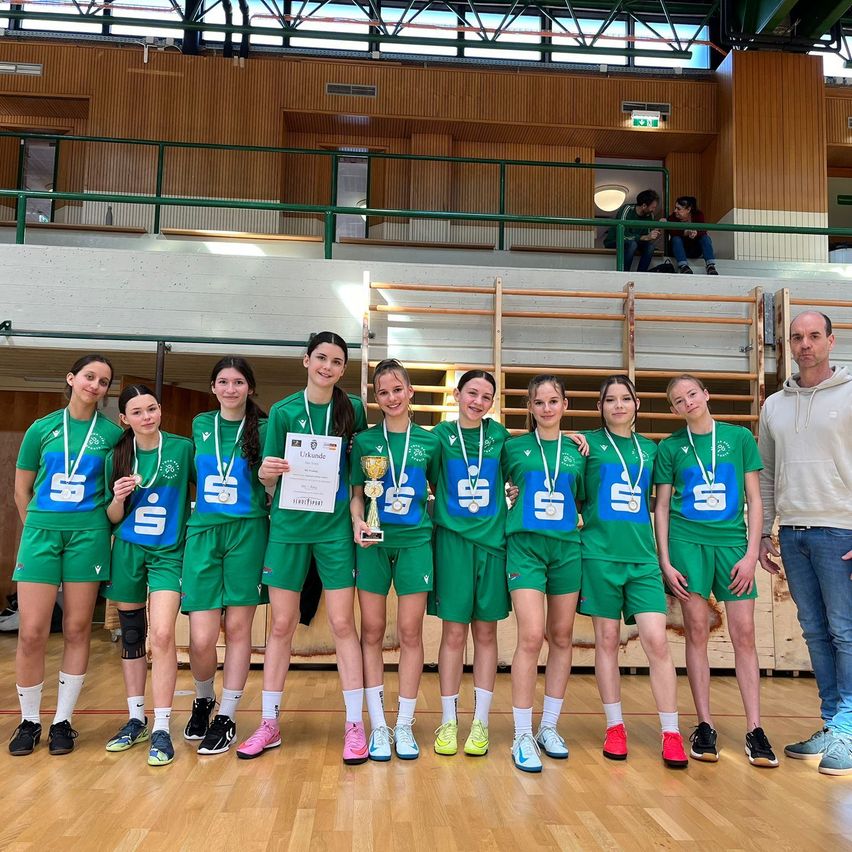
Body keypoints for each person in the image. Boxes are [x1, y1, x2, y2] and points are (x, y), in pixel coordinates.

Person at [238, 332, 369, 764]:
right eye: (320, 358)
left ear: (343, 369)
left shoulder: (353, 411)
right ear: (306, 360)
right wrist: (268, 472)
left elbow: (359, 476)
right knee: (281, 625)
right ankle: (269, 723)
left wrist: (356, 516)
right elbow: (266, 475)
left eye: (335, 361)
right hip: (289, 528)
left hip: (333, 531)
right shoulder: (283, 411)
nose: (327, 367)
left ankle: (355, 725)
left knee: (341, 624)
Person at [655, 375, 777, 768]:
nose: (687, 402)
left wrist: (751, 549)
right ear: (673, 410)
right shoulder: (670, 447)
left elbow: (755, 499)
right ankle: (704, 725)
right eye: (678, 400)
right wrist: (665, 560)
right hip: (687, 544)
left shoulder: (739, 438)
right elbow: (660, 507)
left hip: (732, 546)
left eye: (692, 394)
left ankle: (755, 729)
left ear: (705, 395)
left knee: (744, 634)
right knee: (696, 633)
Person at [9, 354, 123, 757]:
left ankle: (62, 721)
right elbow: (21, 490)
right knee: (32, 631)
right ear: (72, 379)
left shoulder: (111, 435)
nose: (95, 385)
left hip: (88, 536)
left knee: (77, 629)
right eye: (89, 376)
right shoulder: (41, 429)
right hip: (41, 535)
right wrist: (37, 525)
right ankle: (28, 720)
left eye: (104, 381)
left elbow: (115, 492)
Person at [758, 311, 852, 776]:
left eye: (814, 336)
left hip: (842, 531)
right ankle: (832, 721)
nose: (805, 344)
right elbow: (769, 475)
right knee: (815, 632)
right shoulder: (775, 404)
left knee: (845, 631)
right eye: (797, 337)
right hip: (793, 534)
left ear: (832, 341)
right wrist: (764, 532)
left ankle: (849, 729)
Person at [578, 375, 688, 768]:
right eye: (611, 400)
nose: (619, 406)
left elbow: (660, 507)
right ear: (600, 407)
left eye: (626, 399)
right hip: (599, 557)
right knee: (606, 641)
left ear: (637, 404)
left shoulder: (651, 450)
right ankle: (615, 726)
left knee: (656, 641)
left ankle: (671, 731)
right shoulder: (585, 447)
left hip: (642, 560)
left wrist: (663, 559)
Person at [350, 359, 440, 761]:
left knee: (409, 633)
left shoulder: (430, 442)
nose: (391, 397)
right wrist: (357, 521)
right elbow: (356, 493)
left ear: (410, 392)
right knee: (371, 630)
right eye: (383, 392)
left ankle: (403, 724)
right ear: (376, 397)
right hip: (372, 543)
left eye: (397, 389)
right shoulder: (364, 442)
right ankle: (378, 725)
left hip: (415, 542)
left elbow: (441, 488)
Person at [181, 356, 269, 755]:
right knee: (201, 639)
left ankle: (228, 715)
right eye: (223, 382)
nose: (230, 389)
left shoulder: (265, 429)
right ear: (213, 387)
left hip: (248, 531)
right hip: (203, 532)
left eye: (238, 382)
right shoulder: (201, 425)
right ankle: (203, 697)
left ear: (250, 387)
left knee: (238, 631)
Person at [103, 385, 193, 766]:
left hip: (169, 552)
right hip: (127, 550)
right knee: (134, 633)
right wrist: (118, 498)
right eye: (137, 412)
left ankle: (161, 724)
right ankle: (136, 718)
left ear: (161, 410)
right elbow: (111, 518)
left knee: (163, 633)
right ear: (124, 419)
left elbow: (201, 491)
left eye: (152, 409)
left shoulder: (182, 448)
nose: (147, 417)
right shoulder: (118, 455)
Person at [503, 374, 585, 773]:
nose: (547, 408)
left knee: (563, 636)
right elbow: (494, 485)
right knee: (532, 635)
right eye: (539, 402)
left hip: (567, 548)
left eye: (554, 401)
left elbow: (583, 497)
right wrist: (507, 496)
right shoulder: (512, 447)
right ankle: (521, 732)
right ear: (530, 408)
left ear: (565, 405)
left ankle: (548, 726)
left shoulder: (577, 451)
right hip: (526, 547)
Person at [429, 371, 511, 758]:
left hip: (492, 545)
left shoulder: (502, 438)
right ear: (457, 395)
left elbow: (534, 463)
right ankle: (449, 719)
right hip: (452, 544)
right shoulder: (437, 437)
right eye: (472, 393)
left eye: (486, 396)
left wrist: (576, 438)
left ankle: (480, 721)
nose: (478, 401)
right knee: (453, 636)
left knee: (487, 636)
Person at [603, 189, 661, 273]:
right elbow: (622, 235)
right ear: (644, 206)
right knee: (632, 244)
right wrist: (643, 237)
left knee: (650, 247)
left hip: (636, 242)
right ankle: (624, 273)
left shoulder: (650, 215)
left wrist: (656, 230)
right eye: (653, 207)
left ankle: (641, 274)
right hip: (615, 240)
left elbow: (647, 238)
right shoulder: (627, 209)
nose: (654, 210)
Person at [664, 196, 717, 275]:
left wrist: (696, 232)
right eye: (675, 208)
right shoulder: (672, 217)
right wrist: (686, 232)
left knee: (705, 238)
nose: (675, 211)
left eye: (678, 209)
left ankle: (710, 266)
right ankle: (683, 266)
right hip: (678, 250)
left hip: (694, 250)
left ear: (688, 209)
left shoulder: (698, 215)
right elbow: (672, 232)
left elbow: (703, 230)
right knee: (676, 239)